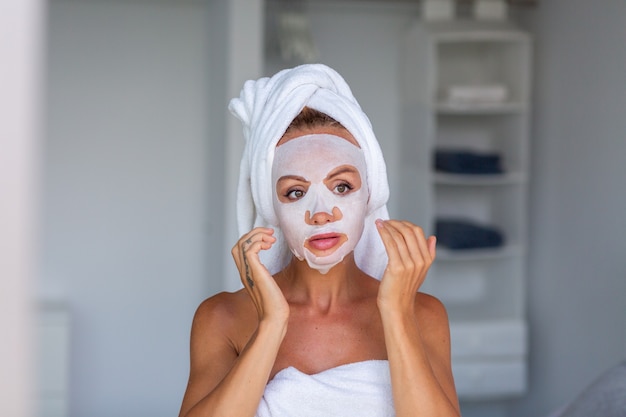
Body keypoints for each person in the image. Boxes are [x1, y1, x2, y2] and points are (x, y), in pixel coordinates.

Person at [178, 64, 460, 417]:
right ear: (272, 208)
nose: (321, 213)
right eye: (295, 192)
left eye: (341, 186)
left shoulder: (423, 314)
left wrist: (396, 313)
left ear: (369, 195)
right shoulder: (222, 317)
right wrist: (271, 323)